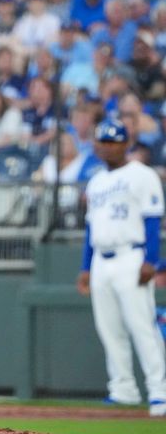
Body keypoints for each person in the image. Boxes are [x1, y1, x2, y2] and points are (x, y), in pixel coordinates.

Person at [76, 119, 166, 418]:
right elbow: (91, 229)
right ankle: (123, 389)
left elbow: (153, 220)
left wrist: (150, 260)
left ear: (127, 144)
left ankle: (160, 392)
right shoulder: (97, 181)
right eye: (102, 141)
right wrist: (86, 267)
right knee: (110, 329)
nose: (107, 146)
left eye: (114, 141)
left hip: (132, 255)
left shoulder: (142, 175)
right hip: (102, 259)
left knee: (143, 327)